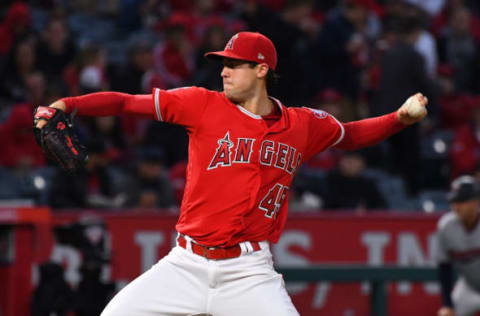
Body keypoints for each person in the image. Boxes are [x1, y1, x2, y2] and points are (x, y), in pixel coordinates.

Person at [35, 31, 428, 316]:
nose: (223, 71)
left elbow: (353, 133)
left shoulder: (303, 124)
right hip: (184, 264)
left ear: (261, 69)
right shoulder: (200, 104)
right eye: (222, 64)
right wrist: (68, 103)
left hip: (249, 272)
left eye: (233, 64)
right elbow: (125, 102)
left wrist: (398, 119)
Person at [436, 175, 480, 316]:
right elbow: (444, 268)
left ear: (476, 201)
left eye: (462, 201)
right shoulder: (446, 226)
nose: (456, 206)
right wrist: (447, 305)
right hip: (469, 287)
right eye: (454, 201)